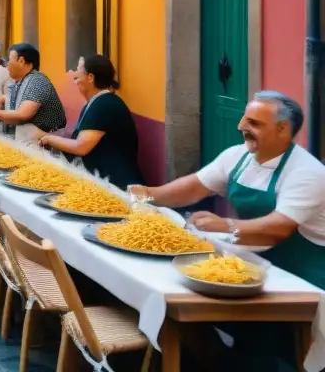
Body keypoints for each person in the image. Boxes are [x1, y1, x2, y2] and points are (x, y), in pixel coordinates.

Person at [131, 91, 325, 289]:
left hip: (304, 280)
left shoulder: (307, 172)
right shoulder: (237, 156)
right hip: (256, 267)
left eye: (254, 123)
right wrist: (145, 194)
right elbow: (193, 188)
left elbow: (278, 229)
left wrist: (226, 226)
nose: (241, 127)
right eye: (244, 119)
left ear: (282, 129)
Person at [38, 56, 144, 189]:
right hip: (104, 181)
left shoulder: (104, 105)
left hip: (117, 186)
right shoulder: (96, 102)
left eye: (78, 75)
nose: (75, 81)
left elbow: (80, 146)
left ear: (90, 77)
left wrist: (49, 139)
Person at [0, 43, 67, 141]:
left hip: (48, 144)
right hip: (30, 140)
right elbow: (13, 117)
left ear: (21, 61)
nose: (7, 64)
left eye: (9, 59)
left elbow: (23, 115)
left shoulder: (38, 80)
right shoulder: (19, 82)